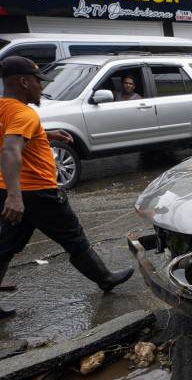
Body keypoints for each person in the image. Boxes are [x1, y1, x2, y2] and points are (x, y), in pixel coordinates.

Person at [0, 56, 133, 318]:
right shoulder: (23, 112)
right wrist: (16, 197)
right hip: (36, 191)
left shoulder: (5, 108)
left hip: (11, 189)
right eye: (39, 82)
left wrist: (45, 134)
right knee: (73, 237)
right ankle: (105, 278)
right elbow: (10, 149)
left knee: (5, 245)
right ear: (23, 81)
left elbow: (10, 135)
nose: (42, 88)